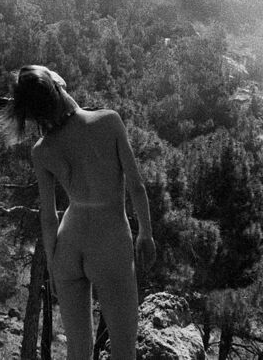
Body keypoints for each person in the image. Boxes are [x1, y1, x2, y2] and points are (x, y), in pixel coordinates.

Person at [12, 64, 156, 360]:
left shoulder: (42, 150)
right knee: (124, 351)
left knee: (77, 353)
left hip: (68, 245)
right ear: (57, 85)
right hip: (109, 241)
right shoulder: (108, 121)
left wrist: (53, 264)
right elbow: (137, 186)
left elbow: (48, 216)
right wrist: (146, 233)